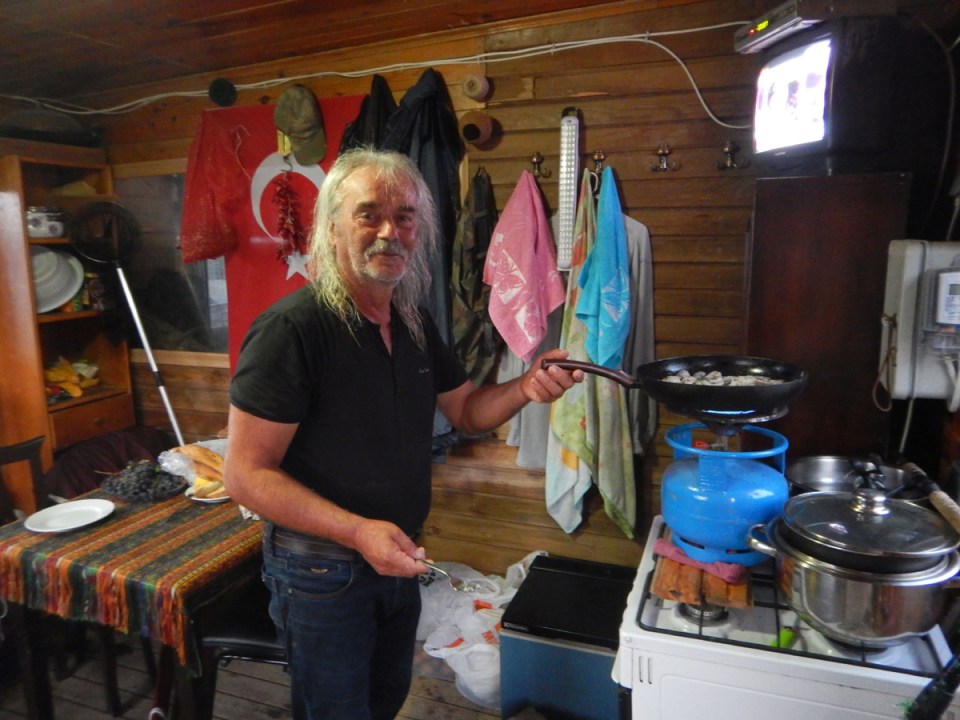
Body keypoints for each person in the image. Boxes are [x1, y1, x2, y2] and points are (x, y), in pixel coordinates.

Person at [223, 147, 582, 720]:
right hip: (321, 570)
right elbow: (244, 475)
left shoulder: (413, 322)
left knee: (386, 700)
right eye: (369, 214)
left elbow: (467, 412)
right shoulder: (293, 329)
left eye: (405, 217)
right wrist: (359, 531)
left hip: (398, 555)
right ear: (332, 227)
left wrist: (526, 387)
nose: (390, 232)